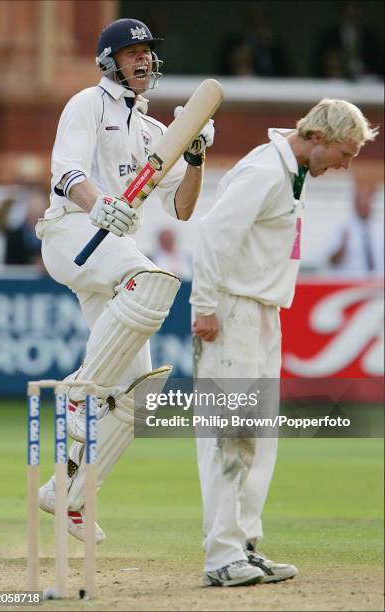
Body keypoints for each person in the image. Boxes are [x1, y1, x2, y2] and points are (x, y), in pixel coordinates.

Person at [36, 18, 214, 543]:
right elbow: (64, 174)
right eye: (132, 52)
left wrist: (197, 157)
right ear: (109, 60)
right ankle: (77, 391)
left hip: (109, 249)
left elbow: (181, 208)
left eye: (147, 52)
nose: (142, 60)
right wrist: (102, 204)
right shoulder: (87, 104)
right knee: (152, 278)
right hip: (70, 233)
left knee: (143, 384)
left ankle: (66, 493)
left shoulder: (156, 132)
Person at [190, 98, 378, 587]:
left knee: (259, 438)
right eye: (345, 151)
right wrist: (204, 305)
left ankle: (244, 544)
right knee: (230, 435)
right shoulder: (265, 171)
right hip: (232, 311)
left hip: (261, 311)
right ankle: (221, 556)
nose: (345, 164)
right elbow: (212, 234)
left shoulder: (290, 171)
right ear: (318, 137)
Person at [328, 185, 383, 276]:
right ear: (355, 204)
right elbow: (331, 261)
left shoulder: (380, 228)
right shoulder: (343, 228)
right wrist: (343, 246)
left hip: (377, 282)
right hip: (351, 281)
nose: (365, 206)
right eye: (362, 203)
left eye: (367, 203)